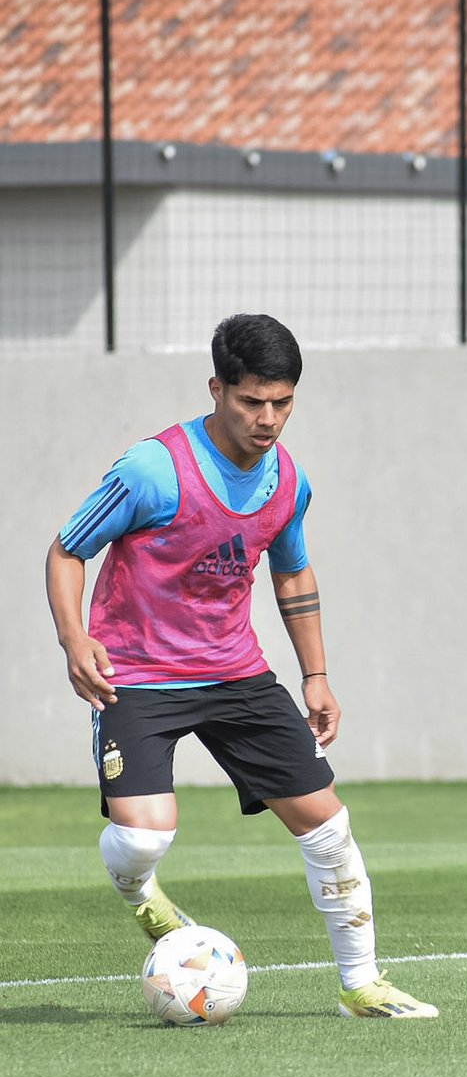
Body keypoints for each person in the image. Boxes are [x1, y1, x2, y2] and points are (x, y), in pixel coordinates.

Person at [45, 313, 437, 1020]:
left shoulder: (288, 480)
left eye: (282, 402)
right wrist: (76, 640)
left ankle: (361, 985)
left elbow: (291, 573)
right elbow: (67, 551)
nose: (268, 419)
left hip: (235, 673)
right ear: (217, 389)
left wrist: (316, 676)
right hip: (135, 674)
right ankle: (142, 893)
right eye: (251, 401)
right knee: (143, 837)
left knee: (328, 825)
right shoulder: (152, 468)